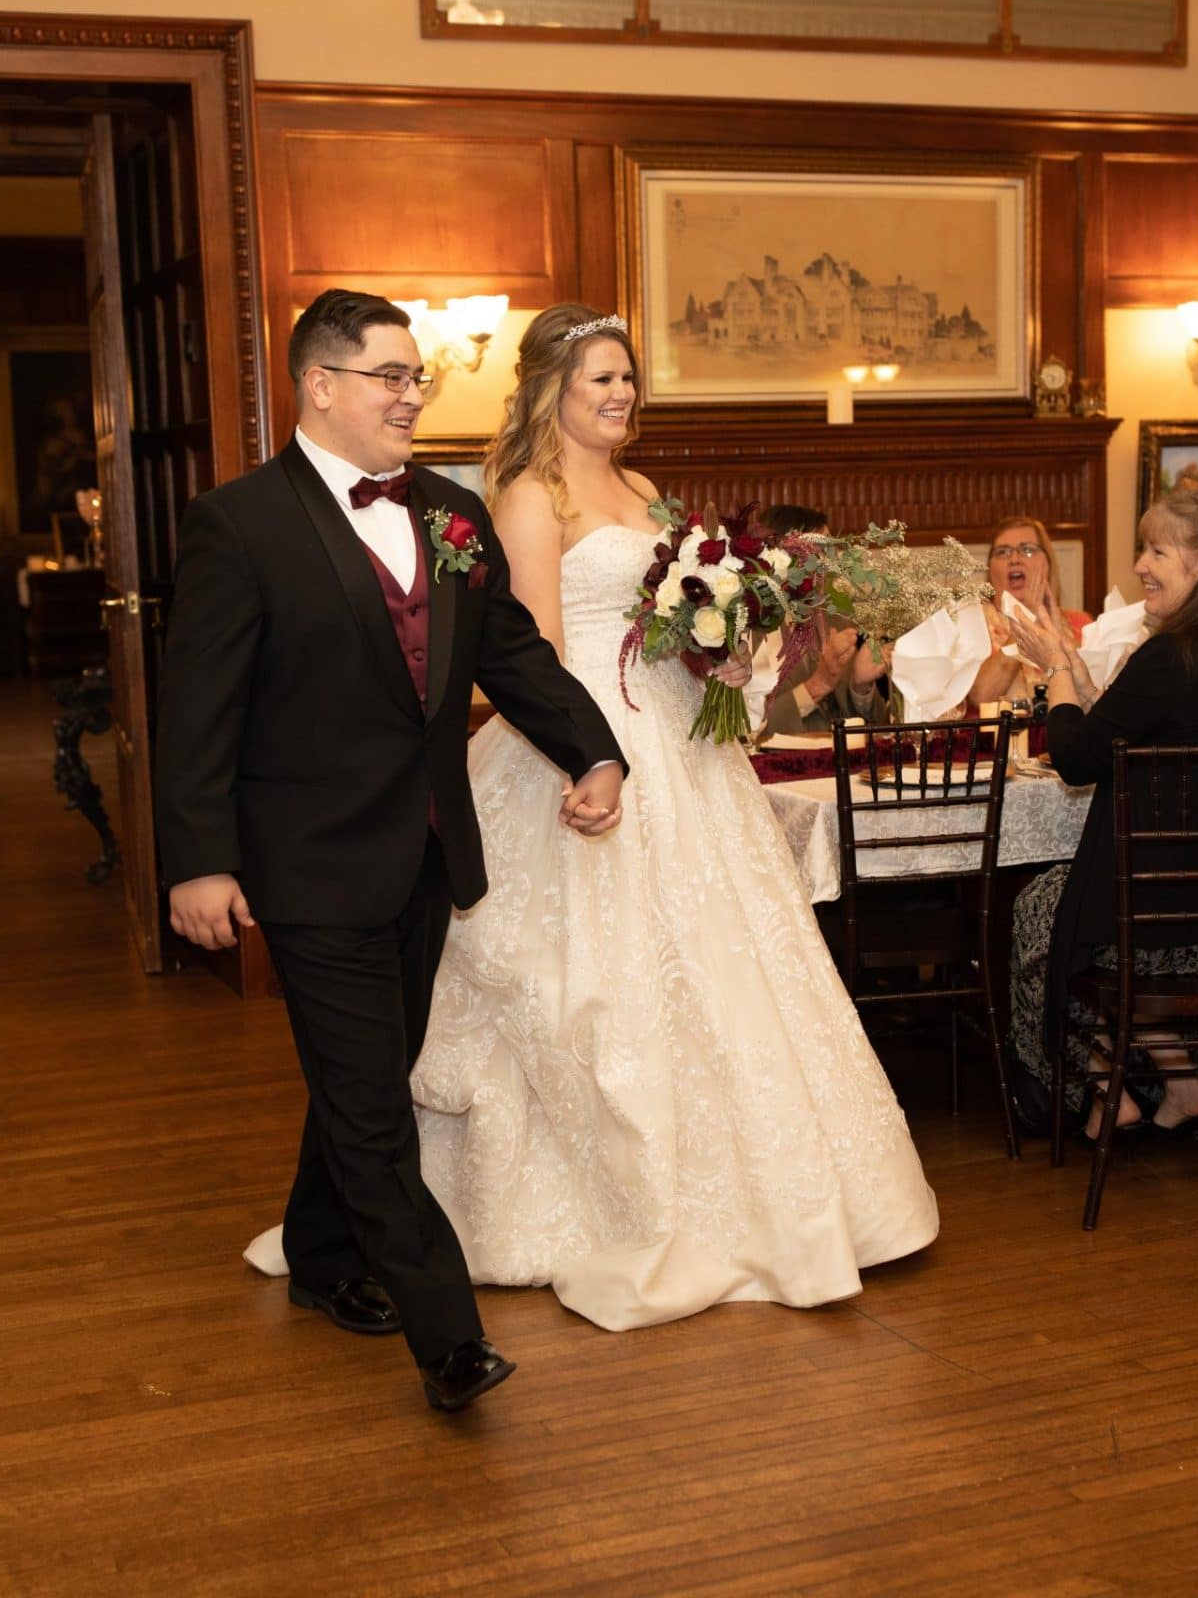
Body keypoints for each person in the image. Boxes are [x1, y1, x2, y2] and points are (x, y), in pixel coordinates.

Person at [399, 302, 939, 1332]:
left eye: (628, 381)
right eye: (600, 379)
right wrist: (587, 753)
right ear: (552, 387)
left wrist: (726, 649)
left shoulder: (645, 490)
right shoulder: (529, 494)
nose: (619, 397)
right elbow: (537, 649)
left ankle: (780, 1192)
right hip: (595, 743)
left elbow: (680, 610)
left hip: (688, 744)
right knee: (602, 982)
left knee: (736, 967)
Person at [154, 289, 627, 1414]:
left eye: (418, 377)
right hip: (307, 860)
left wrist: (592, 753)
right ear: (321, 386)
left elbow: (509, 650)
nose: (414, 395)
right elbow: (198, 708)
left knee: (357, 1074)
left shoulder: (449, 514)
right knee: (372, 1106)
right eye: (392, 376)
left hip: (424, 855)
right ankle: (448, 1338)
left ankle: (320, 1253)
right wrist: (196, 860)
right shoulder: (240, 524)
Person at [1005, 489, 1198, 1138]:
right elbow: (1120, 727)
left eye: (1157, 551)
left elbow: (1078, 758)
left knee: (1039, 909)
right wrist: (1072, 668)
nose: (1139, 565)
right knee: (1085, 901)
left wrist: (1054, 671)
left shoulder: (1171, 655)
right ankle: (1180, 1083)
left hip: (1161, 920)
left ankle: (1091, 1089)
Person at [752, 503, 901, 734]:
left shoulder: (837, 621)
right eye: (817, 550)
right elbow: (741, 731)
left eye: (829, 551)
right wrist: (816, 687)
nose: (827, 563)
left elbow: (876, 731)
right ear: (779, 554)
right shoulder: (749, 630)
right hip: (778, 764)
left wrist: (860, 687)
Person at [963, 515, 1089, 708]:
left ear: (1048, 563)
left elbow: (1092, 694)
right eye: (1003, 552)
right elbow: (980, 697)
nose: (1014, 559)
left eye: (1027, 550)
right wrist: (1026, 617)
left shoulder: (1080, 624)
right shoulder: (970, 623)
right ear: (990, 569)